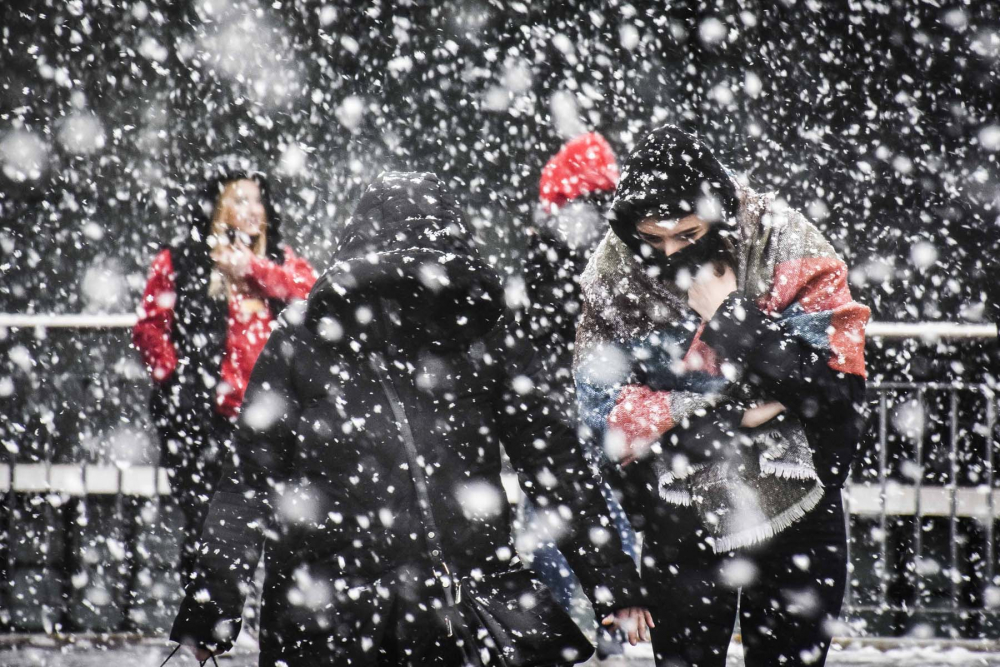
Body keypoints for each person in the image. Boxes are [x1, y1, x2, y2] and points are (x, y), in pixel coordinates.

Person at [169, 172, 652, 666]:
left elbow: (249, 483)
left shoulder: (304, 334)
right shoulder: (481, 330)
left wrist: (211, 611)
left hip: (327, 612)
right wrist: (611, 580)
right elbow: (553, 462)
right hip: (455, 605)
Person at [574, 126, 870, 666]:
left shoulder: (783, 239)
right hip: (679, 514)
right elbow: (600, 417)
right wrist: (739, 407)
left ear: (718, 214)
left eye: (687, 234)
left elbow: (838, 383)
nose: (668, 251)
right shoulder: (613, 274)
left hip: (799, 509)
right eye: (653, 238)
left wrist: (728, 313)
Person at [132, 158, 317, 582]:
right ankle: (207, 619)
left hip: (271, 418)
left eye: (259, 200)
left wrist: (254, 270)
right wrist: (176, 380)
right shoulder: (178, 262)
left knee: (275, 523)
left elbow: (312, 295)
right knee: (206, 523)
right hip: (200, 419)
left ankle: (252, 612)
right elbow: (149, 329)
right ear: (215, 207)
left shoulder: (281, 261)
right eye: (240, 199)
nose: (254, 210)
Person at [522, 132, 637, 657]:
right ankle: (618, 620)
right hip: (606, 386)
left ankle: (555, 625)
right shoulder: (617, 231)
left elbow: (535, 318)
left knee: (548, 511)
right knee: (608, 505)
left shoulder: (554, 228)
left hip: (554, 390)